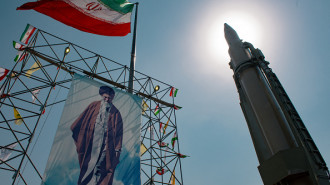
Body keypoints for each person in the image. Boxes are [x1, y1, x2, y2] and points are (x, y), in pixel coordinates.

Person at [71, 86, 123, 185]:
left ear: (112, 98)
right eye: (105, 97)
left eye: (109, 98)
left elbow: (119, 134)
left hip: (106, 146)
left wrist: (117, 150)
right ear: (102, 96)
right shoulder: (93, 106)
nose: (107, 100)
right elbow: (79, 124)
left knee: (102, 168)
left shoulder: (116, 113)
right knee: (89, 167)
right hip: (92, 143)